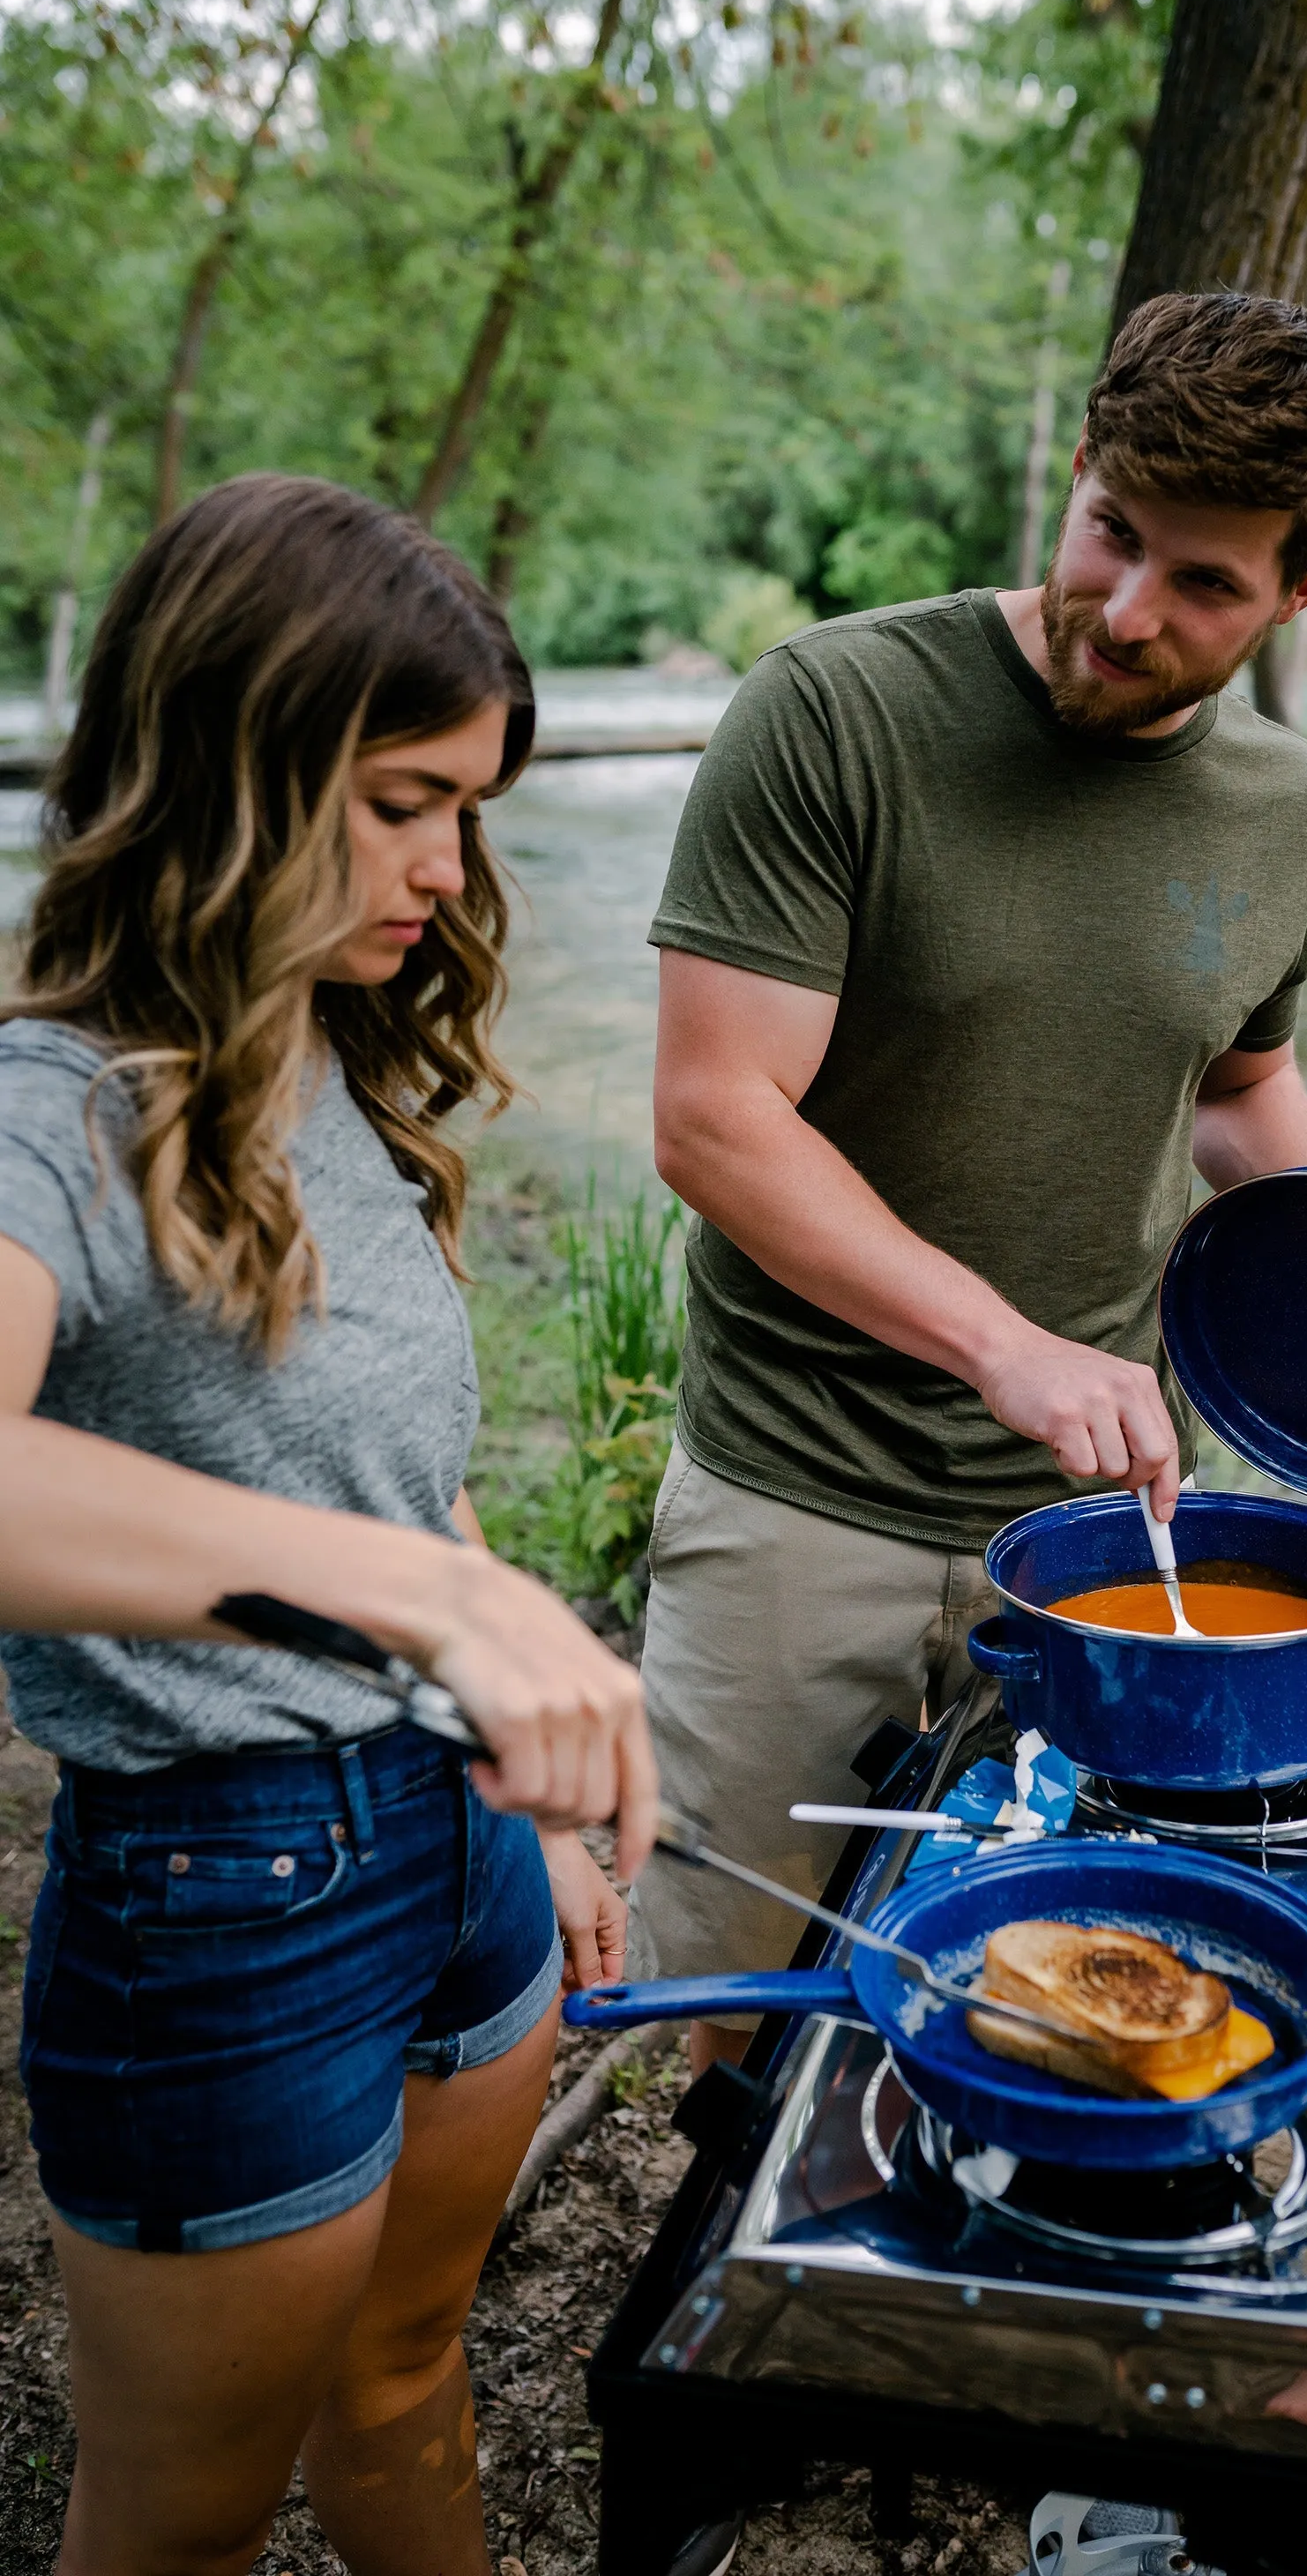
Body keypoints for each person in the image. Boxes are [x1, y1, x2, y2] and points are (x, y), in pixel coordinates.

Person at [0, 473, 657, 2576]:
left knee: (408, 2376)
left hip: (458, 1853)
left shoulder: (323, 1061)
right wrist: (439, 1598)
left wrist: (534, 1795)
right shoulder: (51, 1103)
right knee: (179, 2522)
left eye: (466, 806)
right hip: (221, 1912)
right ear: (230, 762)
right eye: (398, 800)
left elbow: (389, 1478)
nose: (446, 869)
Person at [634, 290, 1307, 2072]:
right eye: (1112, 532)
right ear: (1076, 468)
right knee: (740, 1998)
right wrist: (1006, 1347)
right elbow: (715, 1117)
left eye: (1203, 584)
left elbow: (1243, 1091)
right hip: (800, 1490)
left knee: (1052, 1988)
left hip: (1100, 1536)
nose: (1123, 613)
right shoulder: (834, 713)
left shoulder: (1282, 808)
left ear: (1304, 592)